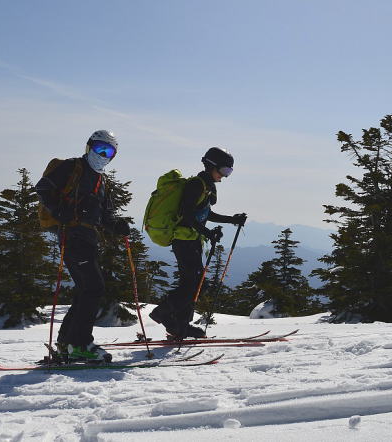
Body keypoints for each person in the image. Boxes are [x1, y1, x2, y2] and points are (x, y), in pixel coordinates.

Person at [35, 130, 130, 362]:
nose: (104, 155)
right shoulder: (71, 167)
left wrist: (117, 226)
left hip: (87, 238)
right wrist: (59, 211)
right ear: (89, 146)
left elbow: (104, 215)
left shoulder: (100, 180)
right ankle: (80, 343)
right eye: (100, 148)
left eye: (109, 152)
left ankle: (66, 342)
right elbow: (43, 188)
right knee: (93, 287)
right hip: (71, 234)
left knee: (86, 289)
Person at [149, 147, 247, 339]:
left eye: (229, 172)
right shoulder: (196, 184)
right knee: (195, 284)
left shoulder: (206, 185)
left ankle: (180, 326)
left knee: (193, 283)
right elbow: (187, 214)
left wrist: (231, 220)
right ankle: (163, 313)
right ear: (212, 166)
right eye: (224, 170)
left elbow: (204, 213)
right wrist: (207, 232)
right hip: (184, 240)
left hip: (191, 240)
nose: (225, 176)